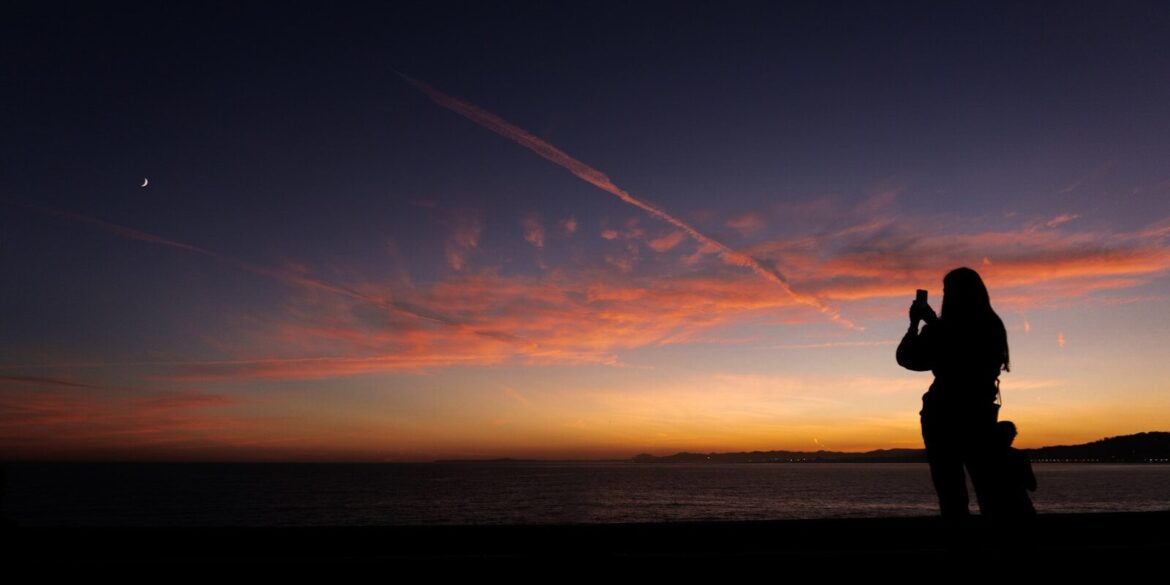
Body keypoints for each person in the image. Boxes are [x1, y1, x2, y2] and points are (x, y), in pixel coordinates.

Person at [897, 267, 1010, 520]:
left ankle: (961, 549)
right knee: (989, 490)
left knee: (951, 495)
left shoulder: (945, 329)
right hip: (979, 416)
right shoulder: (992, 325)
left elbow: (907, 357)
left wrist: (916, 322)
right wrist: (931, 323)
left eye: (947, 291)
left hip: (943, 417)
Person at [982, 420, 1037, 518]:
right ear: (1012, 436)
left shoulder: (985, 458)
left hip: (995, 508)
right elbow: (1032, 486)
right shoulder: (1021, 456)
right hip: (1021, 506)